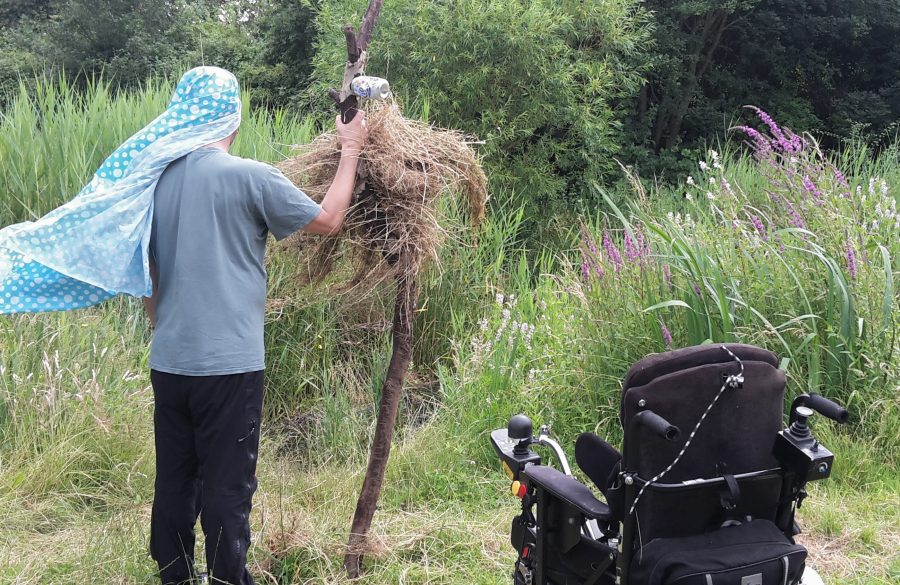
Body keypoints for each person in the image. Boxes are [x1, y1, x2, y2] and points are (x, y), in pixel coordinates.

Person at [141, 73, 366, 584]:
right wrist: (350, 149)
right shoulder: (248, 176)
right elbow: (329, 219)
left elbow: (145, 273)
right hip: (230, 366)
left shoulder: (154, 180)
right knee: (227, 488)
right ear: (232, 117)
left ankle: (175, 576)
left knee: (175, 481)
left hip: (169, 361)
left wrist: (163, 325)